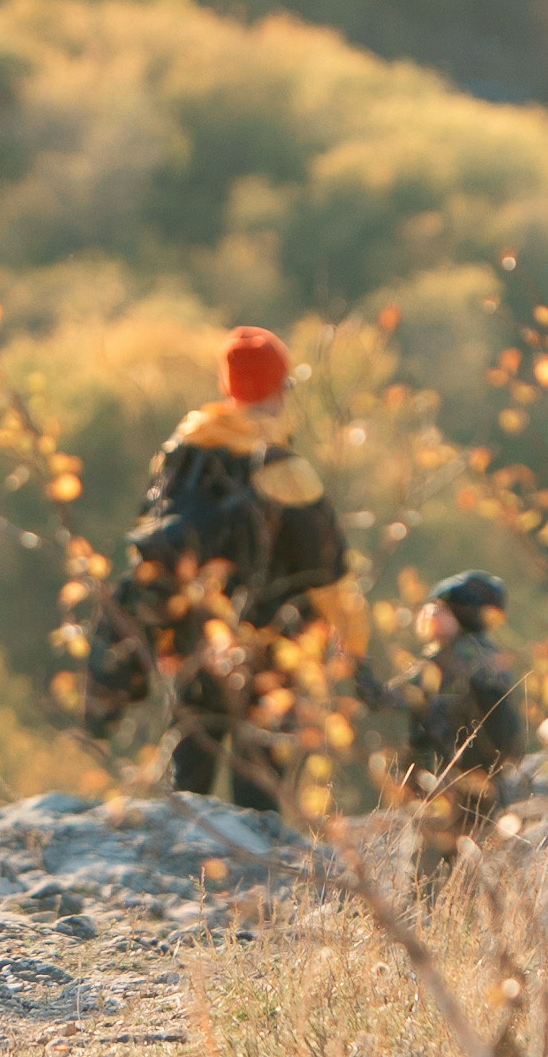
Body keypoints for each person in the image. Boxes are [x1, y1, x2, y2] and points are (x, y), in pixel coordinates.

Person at [83, 325, 354, 809]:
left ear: (227, 387)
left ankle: (178, 854)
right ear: (280, 390)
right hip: (270, 654)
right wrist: (355, 651)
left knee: (186, 784)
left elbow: (150, 538)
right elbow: (329, 577)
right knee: (260, 798)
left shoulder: (181, 454)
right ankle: (250, 858)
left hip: (192, 642)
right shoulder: (287, 471)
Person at [380, 570, 525, 885]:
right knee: (472, 877)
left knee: (430, 880)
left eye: (441, 610)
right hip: (483, 783)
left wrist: (353, 666)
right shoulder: (485, 654)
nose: (429, 615)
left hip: (452, 785)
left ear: (463, 615)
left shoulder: (454, 657)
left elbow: (389, 698)